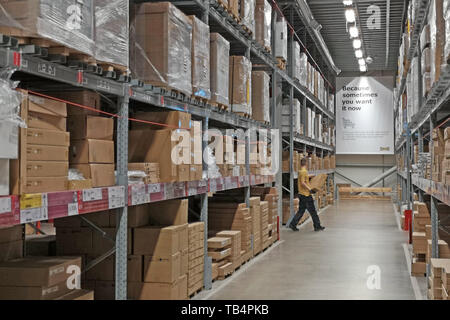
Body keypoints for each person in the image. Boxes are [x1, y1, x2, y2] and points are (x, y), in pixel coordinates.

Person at [289, 158, 325, 232]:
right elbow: (302, 182)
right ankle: (317, 226)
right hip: (306, 195)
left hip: (301, 194)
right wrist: (310, 189)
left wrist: (312, 175)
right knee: (313, 211)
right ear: (306, 164)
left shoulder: (301, 171)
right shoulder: (304, 172)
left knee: (301, 211)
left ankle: (293, 224)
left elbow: (304, 178)